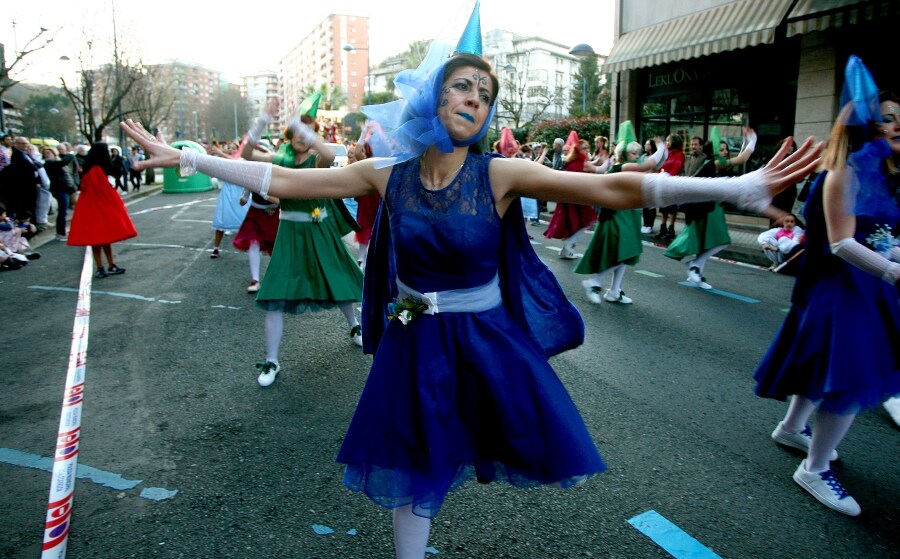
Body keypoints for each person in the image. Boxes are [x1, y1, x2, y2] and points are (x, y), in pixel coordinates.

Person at [121, 7, 819, 552]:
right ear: (434, 95)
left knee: (496, 438)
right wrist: (186, 155)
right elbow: (285, 178)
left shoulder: (501, 174)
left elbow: (614, 188)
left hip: (484, 338)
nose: (476, 99)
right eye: (464, 85)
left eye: (486, 94)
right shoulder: (385, 174)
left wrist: (738, 187)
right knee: (408, 453)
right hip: (411, 333)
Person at [753, 56, 899, 517]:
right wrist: (895, 270)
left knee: (829, 371)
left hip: (869, 288)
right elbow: (842, 245)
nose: (897, 127)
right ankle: (814, 470)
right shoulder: (844, 173)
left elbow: (881, 236)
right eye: (889, 118)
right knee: (851, 379)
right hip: (842, 292)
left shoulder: (882, 173)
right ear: (863, 124)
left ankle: (792, 429)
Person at [237, 98, 364, 387]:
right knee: (274, 297)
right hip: (289, 235)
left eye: (306, 132)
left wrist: (301, 125)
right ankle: (271, 360)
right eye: (296, 131)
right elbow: (246, 154)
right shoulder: (279, 158)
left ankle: (355, 327)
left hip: (319, 232)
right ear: (288, 135)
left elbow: (329, 155)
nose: (300, 136)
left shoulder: (317, 159)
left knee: (339, 282)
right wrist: (261, 122)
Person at [664, 128, 756, 289]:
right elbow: (742, 159)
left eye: (725, 149)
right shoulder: (715, 163)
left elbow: (739, 159)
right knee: (721, 241)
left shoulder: (713, 163)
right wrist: (753, 140)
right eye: (721, 149)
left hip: (710, 207)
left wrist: (747, 142)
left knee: (706, 241)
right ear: (714, 151)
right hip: (708, 209)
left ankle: (696, 272)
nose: (725, 151)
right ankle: (695, 264)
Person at [575, 124, 644, 305]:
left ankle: (614, 291)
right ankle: (595, 281)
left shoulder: (621, 166)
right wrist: (661, 149)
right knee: (624, 252)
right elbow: (651, 165)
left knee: (626, 254)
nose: (637, 157)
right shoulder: (623, 168)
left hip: (629, 215)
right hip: (618, 216)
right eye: (634, 154)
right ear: (625, 155)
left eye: (638, 154)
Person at [66, 143, 137, 278]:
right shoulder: (98, 170)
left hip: (89, 207)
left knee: (98, 240)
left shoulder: (89, 168)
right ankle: (106, 265)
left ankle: (103, 266)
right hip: (100, 207)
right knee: (102, 240)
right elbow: (105, 190)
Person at [543, 132, 599, 259]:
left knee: (572, 224)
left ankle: (565, 250)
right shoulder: (580, 162)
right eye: (584, 148)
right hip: (576, 198)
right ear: (578, 150)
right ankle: (569, 243)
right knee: (586, 221)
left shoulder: (572, 161)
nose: (587, 150)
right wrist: (608, 160)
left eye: (588, 148)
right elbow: (599, 169)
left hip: (569, 197)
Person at [206, 140, 250, 259]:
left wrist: (219, 152)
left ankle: (252, 247)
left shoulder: (241, 161)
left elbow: (234, 163)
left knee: (247, 222)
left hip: (241, 194)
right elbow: (212, 173)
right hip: (227, 194)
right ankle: (216, 248)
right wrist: (210, 156)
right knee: (221, 222)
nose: (231, 150)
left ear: (238, 150)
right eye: (228, 148)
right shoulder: (222, 162)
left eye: (233, 148)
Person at [40, 145, 76, 242]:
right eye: (45, 154)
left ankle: (62, 232)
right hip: (59, 189)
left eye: (48, 153)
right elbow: (65, 161)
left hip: (64, 188)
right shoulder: (49, 164)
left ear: (53, 153)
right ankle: (60, 233)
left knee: (64, 211)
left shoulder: (55, 162)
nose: (46, 155)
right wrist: (71, 153)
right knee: (62, 212)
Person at [654, 134, 685, 242]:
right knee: (663, 208)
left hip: (671, 183)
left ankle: (671, 229)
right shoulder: (666, 154)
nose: (666, 143)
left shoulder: (679, 155)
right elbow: (661, 166)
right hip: (663, 183)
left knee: (672, 208)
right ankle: (662, 228)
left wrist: (666, 178)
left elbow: (677, 168)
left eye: (668, 141)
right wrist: (658, 175)